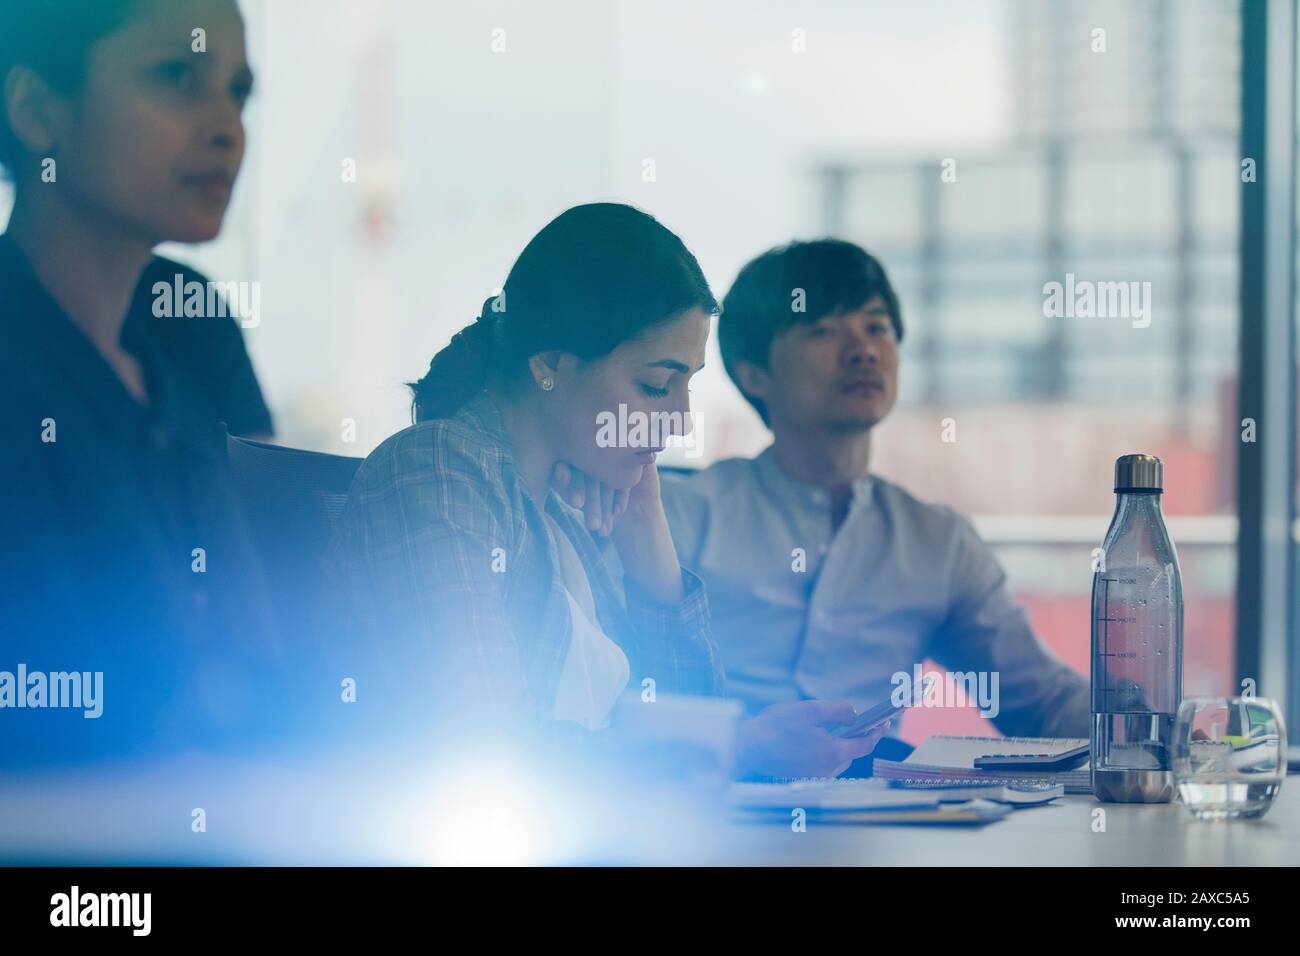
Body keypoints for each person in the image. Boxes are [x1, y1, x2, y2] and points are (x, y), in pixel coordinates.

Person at [327, 204, 887, 778]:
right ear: (551, 364)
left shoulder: (568, 519)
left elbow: (692, 729)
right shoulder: (439, 468)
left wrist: (648, 538)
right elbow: (480, 743)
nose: (679, 421)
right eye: (656, 385)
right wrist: (739, 749)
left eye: (686, 387)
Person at [0, 0, 285, 768]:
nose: (228, 126)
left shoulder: (186, 361)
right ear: (34, 110)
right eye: (175, 77)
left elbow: (260, 645)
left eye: (238, 90)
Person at [661, 239, 1090, 745]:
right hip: (711, 797)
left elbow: (1040, 701)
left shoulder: (937, 541)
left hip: (880, 811)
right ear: (754, 373)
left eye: (877, 328)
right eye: (822, 330)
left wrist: (1163, 732)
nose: (863, 350)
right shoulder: (680, 514)